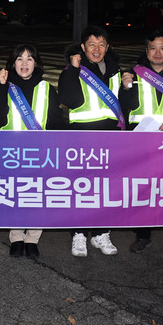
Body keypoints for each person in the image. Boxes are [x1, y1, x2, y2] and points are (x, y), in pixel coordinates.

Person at [0, 44, 63, 259]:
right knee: (14, 195)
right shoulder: (7, 86)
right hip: (11, 152)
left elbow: (57, 122)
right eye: (19, 59)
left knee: (37, 196)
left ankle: (32, 239)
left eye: (29, 59)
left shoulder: (47, 89)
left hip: (40, 153)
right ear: (13, 64)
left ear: (36, 63)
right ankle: (16, 237)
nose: (24, 63)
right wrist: (1, 85)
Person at [119, 30, 163, 260]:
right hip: (142, 142)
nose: (157, 53)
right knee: (143, 190)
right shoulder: (135, 73)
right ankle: (142, 235)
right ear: (146, 51)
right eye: (153, 48)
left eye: (162, 48)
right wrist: (126, 88)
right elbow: (124, 106)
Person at [57, 25, 122, 258]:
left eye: (101, 44)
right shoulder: (72, 70)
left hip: (110, 137)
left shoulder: (115, 71)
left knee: (105, 188)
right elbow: (68, 99)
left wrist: (128, 85)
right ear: (83, 47)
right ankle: (79, 234)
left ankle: (101, 233)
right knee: (82, 188)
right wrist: (74, 70)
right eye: (91, 44)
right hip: (81, 137)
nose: (96, 49)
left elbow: (125, 105)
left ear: (107, 47)